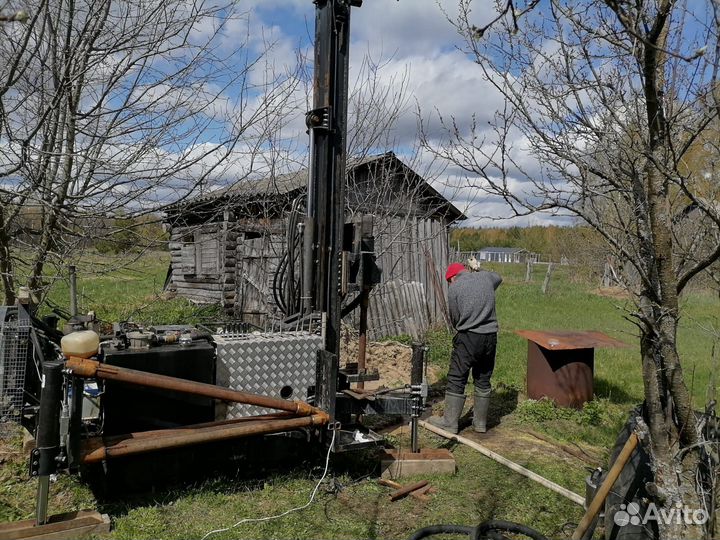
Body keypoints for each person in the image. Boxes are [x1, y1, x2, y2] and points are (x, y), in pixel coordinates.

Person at [428, 262, 502, 434]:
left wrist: (460, 326)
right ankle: (480, 424)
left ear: (453, 277)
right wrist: (479, 270)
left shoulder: (455, 287)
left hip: (469, 337)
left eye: (449, 281)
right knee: (483, 377)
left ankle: (450, 423)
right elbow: (498, 278)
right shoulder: (485, 278)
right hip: (490, 336)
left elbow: (454, 316)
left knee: (457, 377)